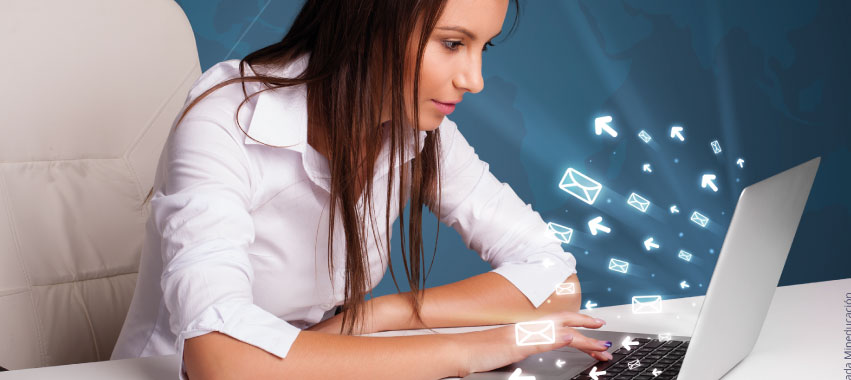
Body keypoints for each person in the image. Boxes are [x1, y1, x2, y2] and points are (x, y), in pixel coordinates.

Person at [111, 0, 614, 378]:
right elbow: (219, 356)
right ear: (370, 21)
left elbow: (557, 286)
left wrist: (377, 314)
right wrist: (476, 349)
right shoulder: (227, 118)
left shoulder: (419, 134)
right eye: (453, 43)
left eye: (484, 46)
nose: (474, 79)